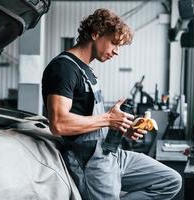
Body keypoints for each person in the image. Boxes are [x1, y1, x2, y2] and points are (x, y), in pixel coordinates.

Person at [42, 8, 182, 200]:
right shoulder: (64, 68)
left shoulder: (87, 70)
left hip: (112, 154)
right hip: (90, 163)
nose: (116, 51)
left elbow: (91, 121)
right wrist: (108, 118)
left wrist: (123, 127)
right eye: (114, 43)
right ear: (95, 33)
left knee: (170, 181)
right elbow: (58, 124)